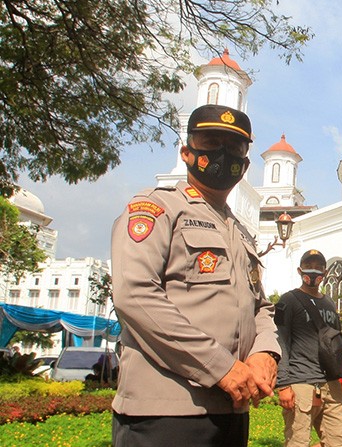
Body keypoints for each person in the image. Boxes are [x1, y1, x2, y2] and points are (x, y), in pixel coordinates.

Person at [110, 104, 281, 446]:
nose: (222, 154)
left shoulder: (241, 233)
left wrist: (265, 352)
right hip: (166, 412)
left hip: (231, 411)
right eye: (211, 141)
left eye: (235, 148)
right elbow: (135, 294)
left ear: (245, 165)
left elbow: (260, 306)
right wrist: (221, 367)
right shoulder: (158, 208)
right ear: (187, 152)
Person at [275, 249, 342, 447]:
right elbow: (280, 341)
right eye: (309, 266)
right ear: (299, 270)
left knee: (339, 441)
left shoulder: (329, 302)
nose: (313, 271)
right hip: (301, 382)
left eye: (318, 267)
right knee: (298, 442)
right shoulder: (288, 301)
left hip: (331, 383)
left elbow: (338, 343)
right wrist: (283, 384)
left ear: (325, 273)